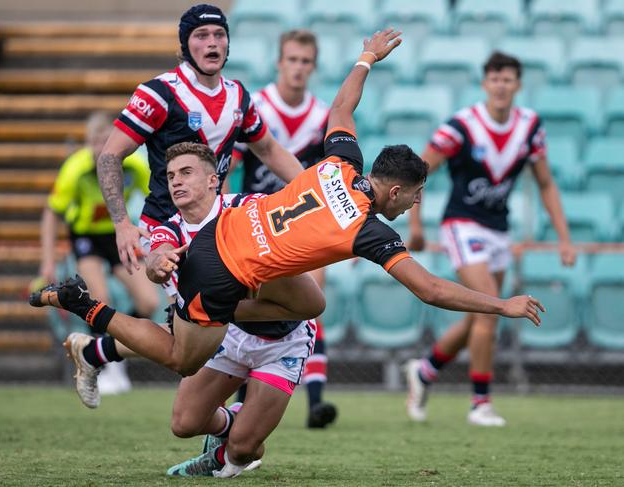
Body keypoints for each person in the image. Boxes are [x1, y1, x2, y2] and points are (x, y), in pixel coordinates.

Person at [30, 32, 546, 463]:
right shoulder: (367, 230)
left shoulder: (338, 161)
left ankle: (185, 345)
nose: (415, 205)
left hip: (223, 233)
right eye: (414, 195)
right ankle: (88, 308)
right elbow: (430, 290)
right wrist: (502, 305)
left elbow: (343, 105)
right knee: (177, 356)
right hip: (221, 272)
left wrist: (366, 57)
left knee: (312, 304)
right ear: (393, 190)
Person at [64, 144, 316, 477]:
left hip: (284, 340)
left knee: (244, 450)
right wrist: (158, 264)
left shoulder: (247, 207)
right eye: (170, 176)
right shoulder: (169, 229)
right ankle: (232, 422)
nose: (176, 182)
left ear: (214, 180)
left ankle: (232, 444)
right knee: (184, 423)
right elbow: (157, 254)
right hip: (230, 334)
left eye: (186, 173)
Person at [404, 51, 576, 427]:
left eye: (508, 79)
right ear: (485, 83)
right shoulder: (462, 126)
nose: (501, 85)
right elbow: (417, 171)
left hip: (499, 229)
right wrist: (415, 225)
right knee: (494, 309)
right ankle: (480, 402)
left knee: (480, 315)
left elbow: (545, 183)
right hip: (462, 226)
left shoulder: (530, 127)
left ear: (518, 84)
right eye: (494, 78)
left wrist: (564, 238)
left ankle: (425, 371)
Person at [96, 3, 304, 276]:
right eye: (201, 35)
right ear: (185, 46)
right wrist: (122, 224)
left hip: (217, 228)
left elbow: (269, 150)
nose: (212, 43)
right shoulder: (158, 92)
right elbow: (109, 156)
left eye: (219, 34)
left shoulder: (238, 95)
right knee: (193, 314)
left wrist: (311, 188)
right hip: (165, 229)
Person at [231, 29, 336, 428]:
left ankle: (315, 402)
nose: (298, 68)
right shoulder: (257, 106)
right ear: (279, 62)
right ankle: (241, 403)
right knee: (250, 312)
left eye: (305, 61)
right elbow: (231, 167)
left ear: (313, 66)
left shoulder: (323, 115)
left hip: (304, 230)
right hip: (255, 226)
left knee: (312, 307)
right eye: (291, 59)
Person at [38, 111, 159, 399]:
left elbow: (156, 199)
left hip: (118, 234)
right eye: (95, 141)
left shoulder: (135, 167)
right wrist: (47, 260)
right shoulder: (75, 169)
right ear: (87, 143)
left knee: (148, 300)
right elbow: (51, 213)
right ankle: (104, 363)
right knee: (101, 297)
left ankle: (117, 344)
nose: (100, 148)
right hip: (86, 238)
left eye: (106, 141)